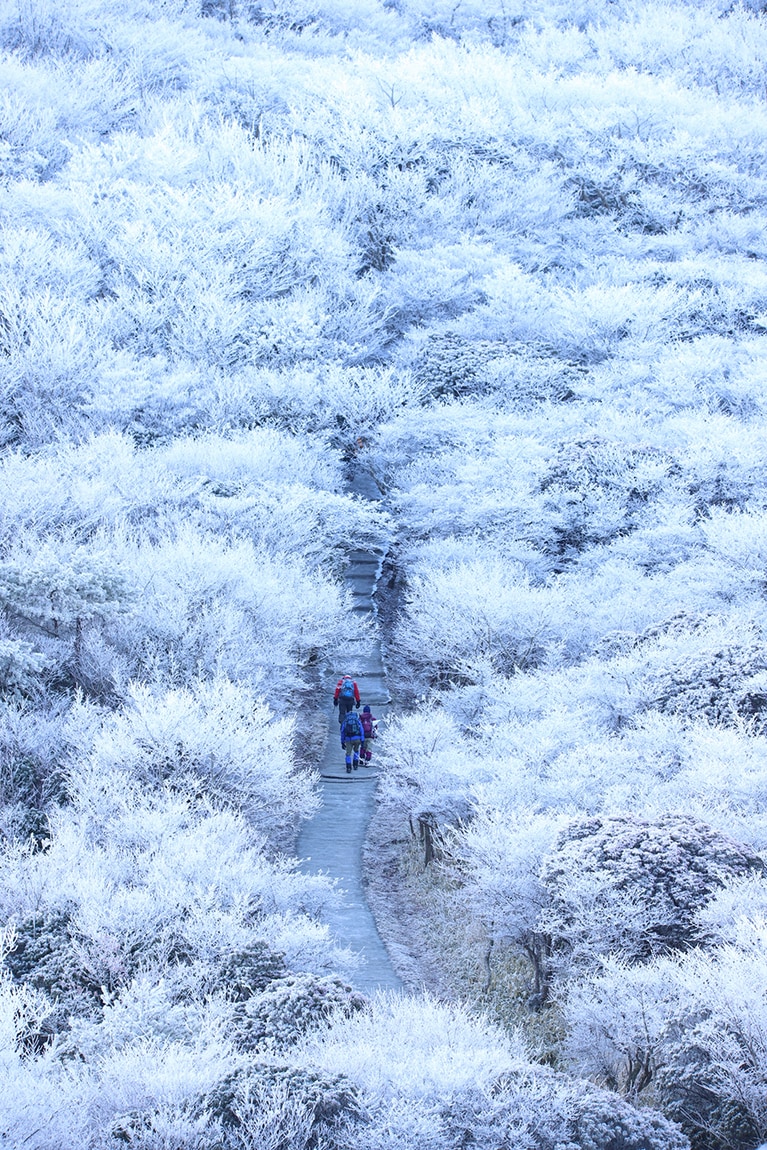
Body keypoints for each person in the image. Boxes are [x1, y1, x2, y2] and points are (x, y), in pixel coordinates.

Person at [340, 707, 364, 773]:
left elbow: (342, 732)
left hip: (348, 739)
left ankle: (348, 767)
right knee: (356, 751)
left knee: (348, 753)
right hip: (357, 738)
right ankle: (355, 765)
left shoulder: (346, 721)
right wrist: (362, 739)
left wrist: (342, 742)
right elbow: (361, 730)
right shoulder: (357, 720)